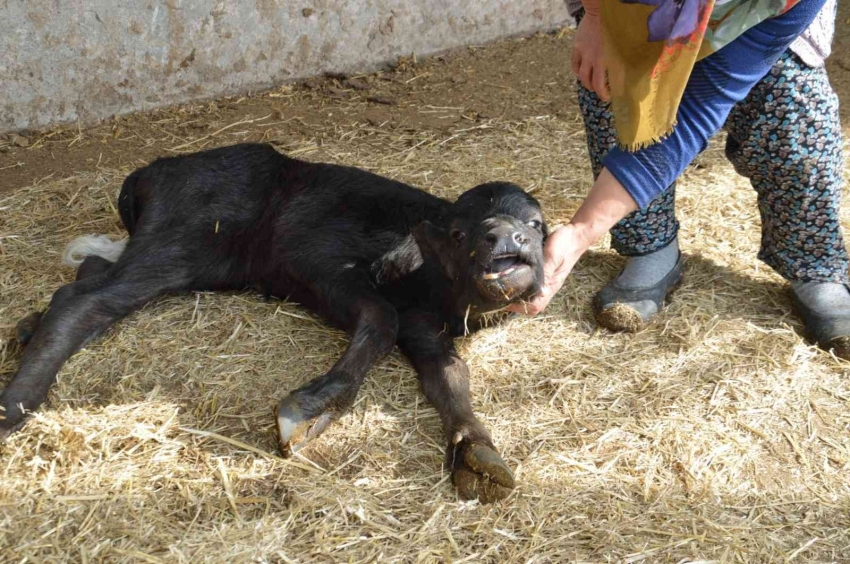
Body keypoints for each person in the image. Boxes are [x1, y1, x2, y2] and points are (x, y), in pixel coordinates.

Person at [510, 0, 850, 359]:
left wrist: (581, 231)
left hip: (759, 14)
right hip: (627, 8)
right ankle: (650, 246)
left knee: (790, 105)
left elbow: (702, 105)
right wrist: (595, 17)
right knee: (617, 87)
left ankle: (814, 263)